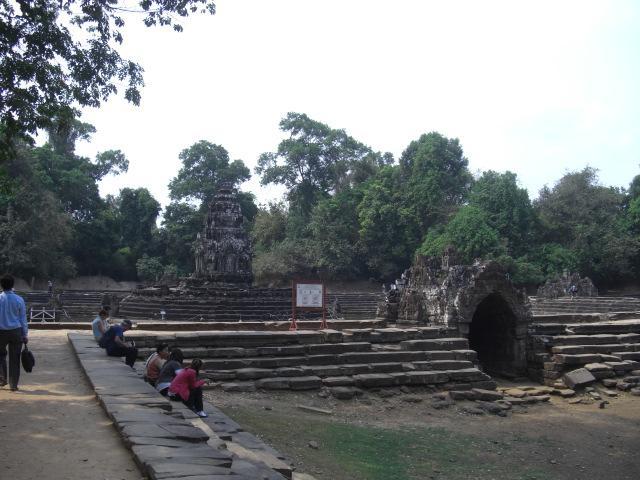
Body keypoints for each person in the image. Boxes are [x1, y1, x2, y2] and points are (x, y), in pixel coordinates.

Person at [0, 274, 28, 391]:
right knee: (15, 358)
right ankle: (13, 385)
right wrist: (25, 334)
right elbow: (23, 319)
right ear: (12, 285)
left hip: (1, 332)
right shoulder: (19, 299)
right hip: (16, 331)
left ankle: (2, 379)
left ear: (1, 285)